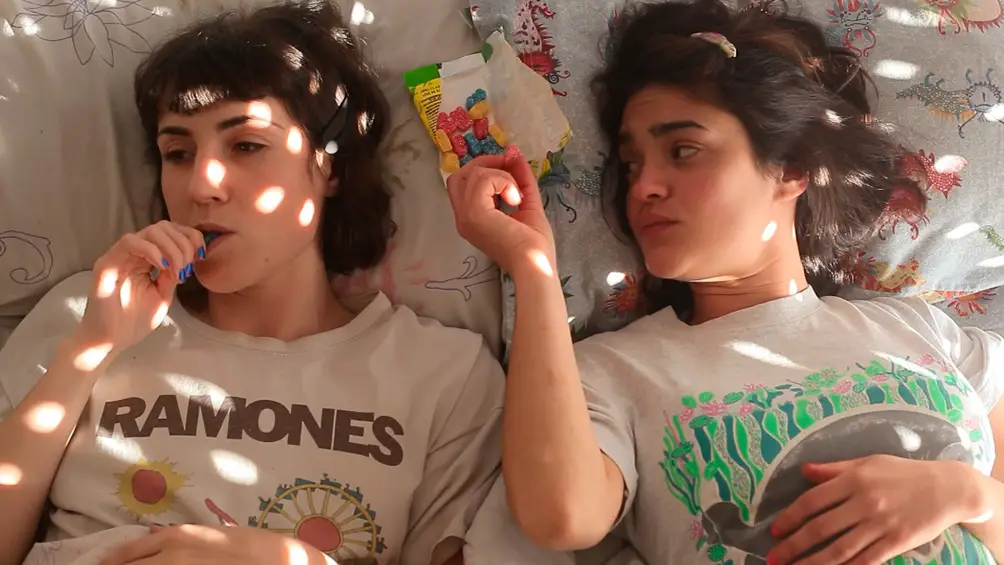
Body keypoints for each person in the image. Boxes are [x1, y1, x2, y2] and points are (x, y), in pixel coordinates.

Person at [447, 1, 1004, 564]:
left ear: (791, 167)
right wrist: (533, 267)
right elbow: (561, 516)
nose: (643, 187)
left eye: (683, 150)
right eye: (632, 165)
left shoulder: (922, 331)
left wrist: (969, 495)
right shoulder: (613, 372)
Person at [0, 3, 503, 565]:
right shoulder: (90, 312)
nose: (202, 185)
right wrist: (89, 350)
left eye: (246, 145)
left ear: (330, 167)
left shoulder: (444, 377)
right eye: (177, 153)